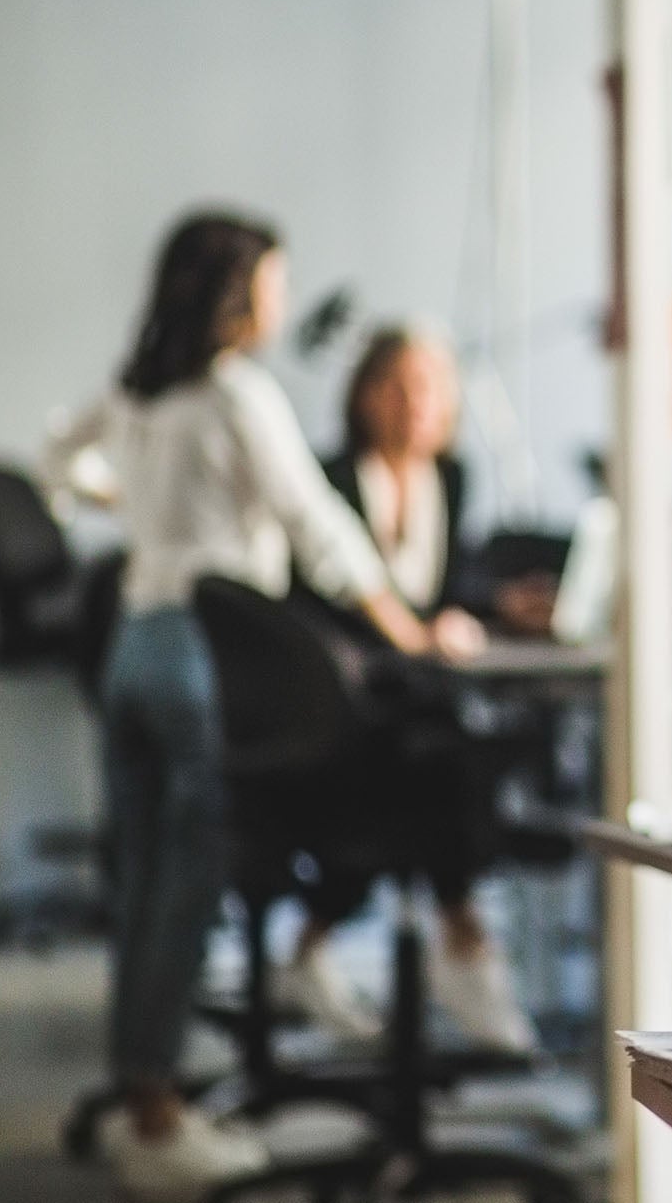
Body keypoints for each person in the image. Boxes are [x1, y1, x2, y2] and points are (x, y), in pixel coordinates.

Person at [42, 211, 442, 1200]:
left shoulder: (138, 394)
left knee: (142, 881)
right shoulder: (233, 393)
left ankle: (144, 1091)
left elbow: (55, 459)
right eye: (272, 282)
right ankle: (159, 1118)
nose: (282, 301)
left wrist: (124, 505)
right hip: (201, 650)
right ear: (234, 292)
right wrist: (402, 624)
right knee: (187, 879)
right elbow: (316, 524)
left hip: (132, 640)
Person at [273, 325, 537, 1054]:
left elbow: (444, 589)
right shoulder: (326, 479)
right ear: (364, 393)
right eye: (396, 385)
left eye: (429, 388)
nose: (413, 404)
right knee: (438, 771)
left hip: (420, 693)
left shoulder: (451, 481)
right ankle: (465, 942)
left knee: (440, 761)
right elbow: (320, 596)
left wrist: (490, 609)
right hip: (342, 696)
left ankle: (318, 947)